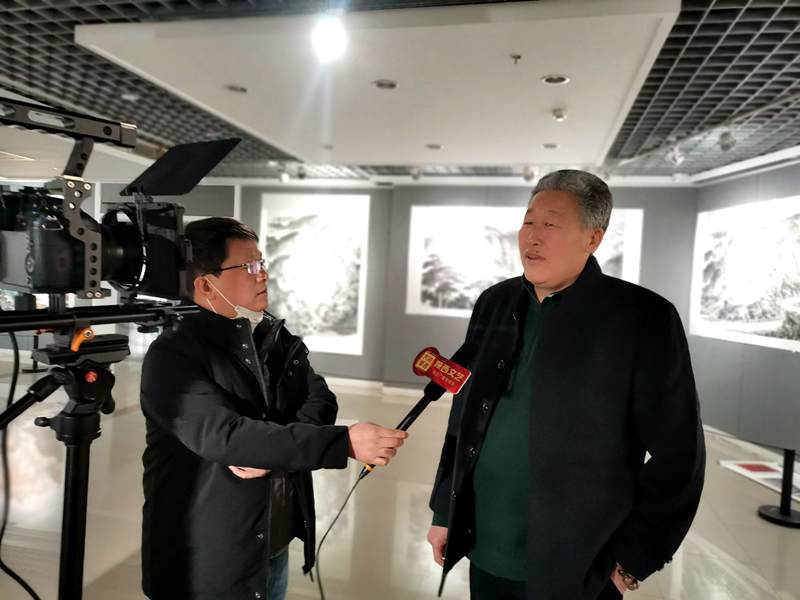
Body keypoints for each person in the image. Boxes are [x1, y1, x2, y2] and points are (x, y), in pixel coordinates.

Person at [427, 170, 705, 600]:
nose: (532, 237)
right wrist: (446, 509)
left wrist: (630, 562)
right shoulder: (495, 303)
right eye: (528, 221)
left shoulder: (643, 318)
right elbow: (464, 417)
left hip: (580, 566)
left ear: (593, 238)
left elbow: (680, 457)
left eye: (551, 224)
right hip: (484, 546)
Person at [140, 217, 407, 600]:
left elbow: (320, 399)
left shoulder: (272, 337)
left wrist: (271, 450)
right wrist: (341, 443)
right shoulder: (173, 355)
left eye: (262, 263)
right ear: (206, 285)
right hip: (206, 558)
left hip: (270, 539)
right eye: (249, 266)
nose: (263, 274)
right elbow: (224, 437)